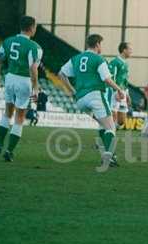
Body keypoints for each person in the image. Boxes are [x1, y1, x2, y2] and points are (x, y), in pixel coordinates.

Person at [58, 34, 124, 167]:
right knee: (111, 127)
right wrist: (119, 90)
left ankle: (110, 154)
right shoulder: (99, 59)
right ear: (98, 44)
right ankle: (108, 156)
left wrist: (71, 90)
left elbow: (61, 73)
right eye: (101, 44)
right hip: (95, 95)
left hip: (80, 100)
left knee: (102, 125)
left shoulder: (76, 58)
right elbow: (107, 79)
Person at [0, 15, 42, 162]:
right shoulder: (35, 47)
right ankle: (9, 151)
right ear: (32, 28)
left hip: (10, 78)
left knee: (7, 112)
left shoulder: (7, 41)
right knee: (19, 117)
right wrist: (36, 88)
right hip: (24, 80)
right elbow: (33, 68)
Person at [106, 42, 132, 130]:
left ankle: (110, 130)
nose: (131, 51)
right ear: (124, 50)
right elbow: (111, 78)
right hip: (115, 92)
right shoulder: (115, 62)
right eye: (130, 49)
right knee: (112, 117)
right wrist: (116, 91)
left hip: (123, 92)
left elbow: (125, 81)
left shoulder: (126, 64)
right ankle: (105, 138)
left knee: (121, 121)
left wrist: (127, 94)